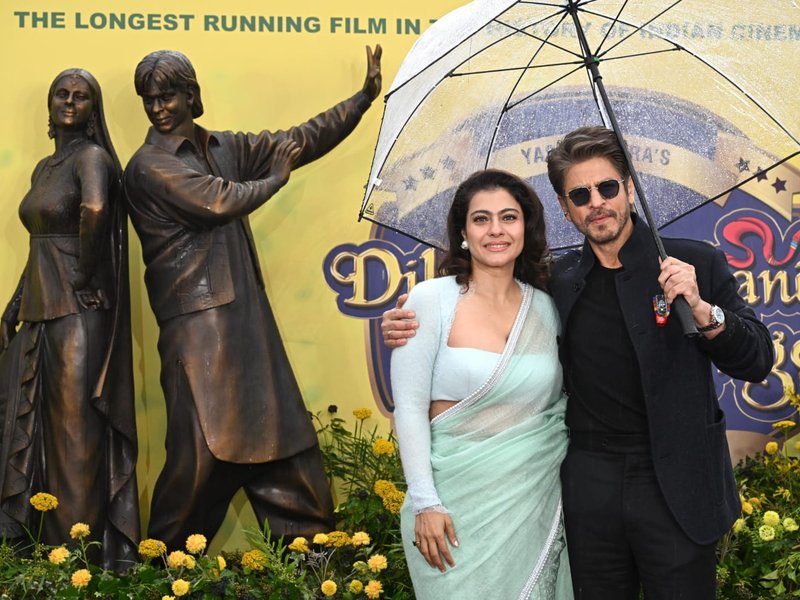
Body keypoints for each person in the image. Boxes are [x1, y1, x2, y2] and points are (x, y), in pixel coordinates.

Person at [383, 126, 773, 599]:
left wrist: (704, 309)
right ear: (566, 210)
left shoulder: (694, 264)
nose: (597, 202)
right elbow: (483, 306)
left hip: (680, 489)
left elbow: (757, 360)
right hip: (590, 492)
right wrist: (404, 324)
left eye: (608, 187)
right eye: (580, 195)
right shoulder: (557, 283)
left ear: (629, 187)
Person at [123, 47, 382, 550]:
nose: (158, 108)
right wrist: (274, 180)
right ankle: (164, 567)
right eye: (148, 99)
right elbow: (220, 201)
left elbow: (298, 140)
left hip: (244, 320)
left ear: (192, 95)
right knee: (202, 453)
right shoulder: (148, 167)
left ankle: (315, 562)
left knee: (283, 441)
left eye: (168, 96)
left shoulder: (223, 147)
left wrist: (362, 99)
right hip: (198, 328)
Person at [391, 169, 572, 598]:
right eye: (481, 219)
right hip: (450, 513)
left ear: (526, 227)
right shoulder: (429, 301)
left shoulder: (548, 309)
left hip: (533, 506)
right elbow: (410, 408)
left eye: (509, 217)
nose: (496, 230)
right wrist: (425, 503)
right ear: (462, 231)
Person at [0, 69, 138, 570]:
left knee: (76, 441)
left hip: (77, 316)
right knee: (37, 437)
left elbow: (97, 210)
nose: (70, 102)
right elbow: (40, 250)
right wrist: (14, 308)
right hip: (40, 312)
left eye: (82, 97)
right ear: (50, 102)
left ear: (92, 110)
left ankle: (80, 561)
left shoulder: (92, 157)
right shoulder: (44, 166)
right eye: (62, 93)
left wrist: (82, 278)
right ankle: (43, 555)